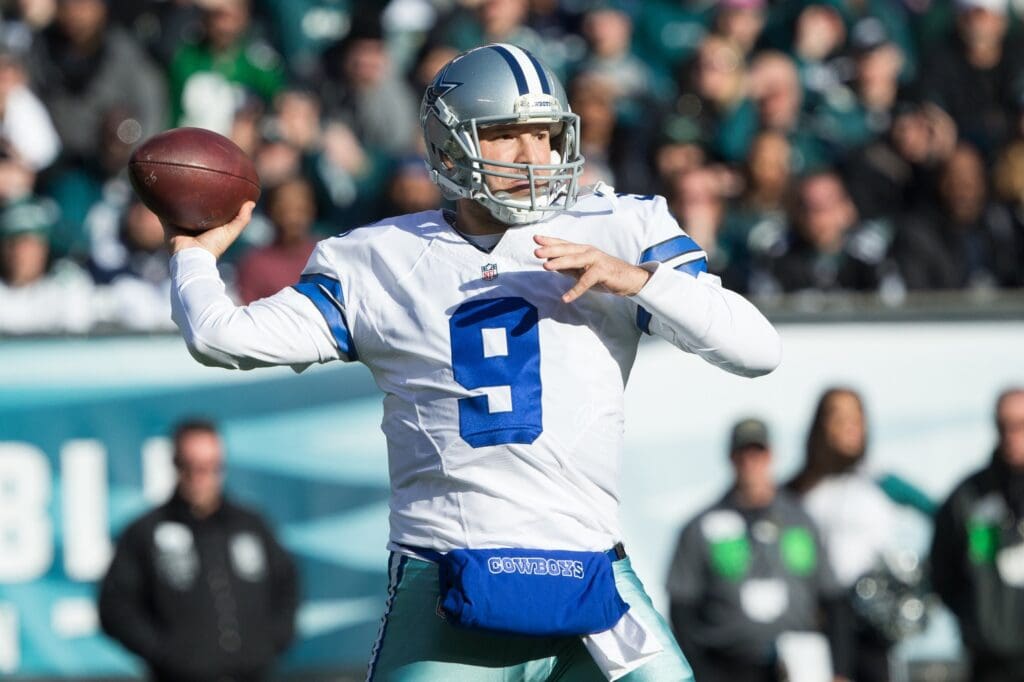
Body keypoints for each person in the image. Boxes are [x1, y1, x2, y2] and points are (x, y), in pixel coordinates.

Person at [162, 44, 781, 680]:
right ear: (450, 147)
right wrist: (192, 253)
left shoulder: (619, 226)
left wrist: (637, 279)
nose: (534, 156)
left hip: (591, 579)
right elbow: (219, 335)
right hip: (448, 577)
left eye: (544, 134)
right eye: (507, 135)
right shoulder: (379, 259)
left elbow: (757, 350)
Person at [98, 418, 299, 682]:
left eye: (210, 466)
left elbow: (287, 585)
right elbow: (115, 607)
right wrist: (165, 654)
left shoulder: (250, 525)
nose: (200, 476)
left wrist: (269, 644)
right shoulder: (146, 532)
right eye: (190, 466)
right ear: (175, 464)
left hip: (253, 675)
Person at [667, 418, 853, 682]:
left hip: (798, 664)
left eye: (758, 452)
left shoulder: (800, 521)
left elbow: (833, 599)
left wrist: (840, 669)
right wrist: (698, 670)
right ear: (731, 458)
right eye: (743, 453)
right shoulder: (701, 527)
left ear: (770, 455)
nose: (750, 461)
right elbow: (682, 606)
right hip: (727, 665)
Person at [787, 387, 934, 682]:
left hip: (874, 624)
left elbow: (946, 517)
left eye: (856, 417)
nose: (849, 425)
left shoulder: (881, 481)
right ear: (820, 425)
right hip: (816, 623)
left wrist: (920, 580)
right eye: (838, 416)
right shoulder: (798, 490)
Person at [930, 388, 1024, 682]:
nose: (1011, 434)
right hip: (990, 661)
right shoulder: (968, 498)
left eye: (1021, 425)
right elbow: (942, 571)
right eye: (1003, 425)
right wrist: (976, 619)